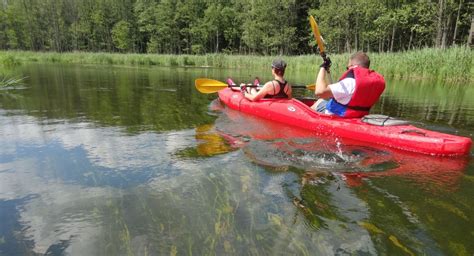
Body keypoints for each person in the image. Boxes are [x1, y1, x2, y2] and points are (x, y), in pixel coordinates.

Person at [311, 52, 385, 118]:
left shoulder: (350, 82)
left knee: (319, 101)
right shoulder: (370, 83)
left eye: (347, 68)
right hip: (359, 116)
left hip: (339, 115)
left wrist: (323, 67)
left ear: (352, 66)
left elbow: (319, 92)